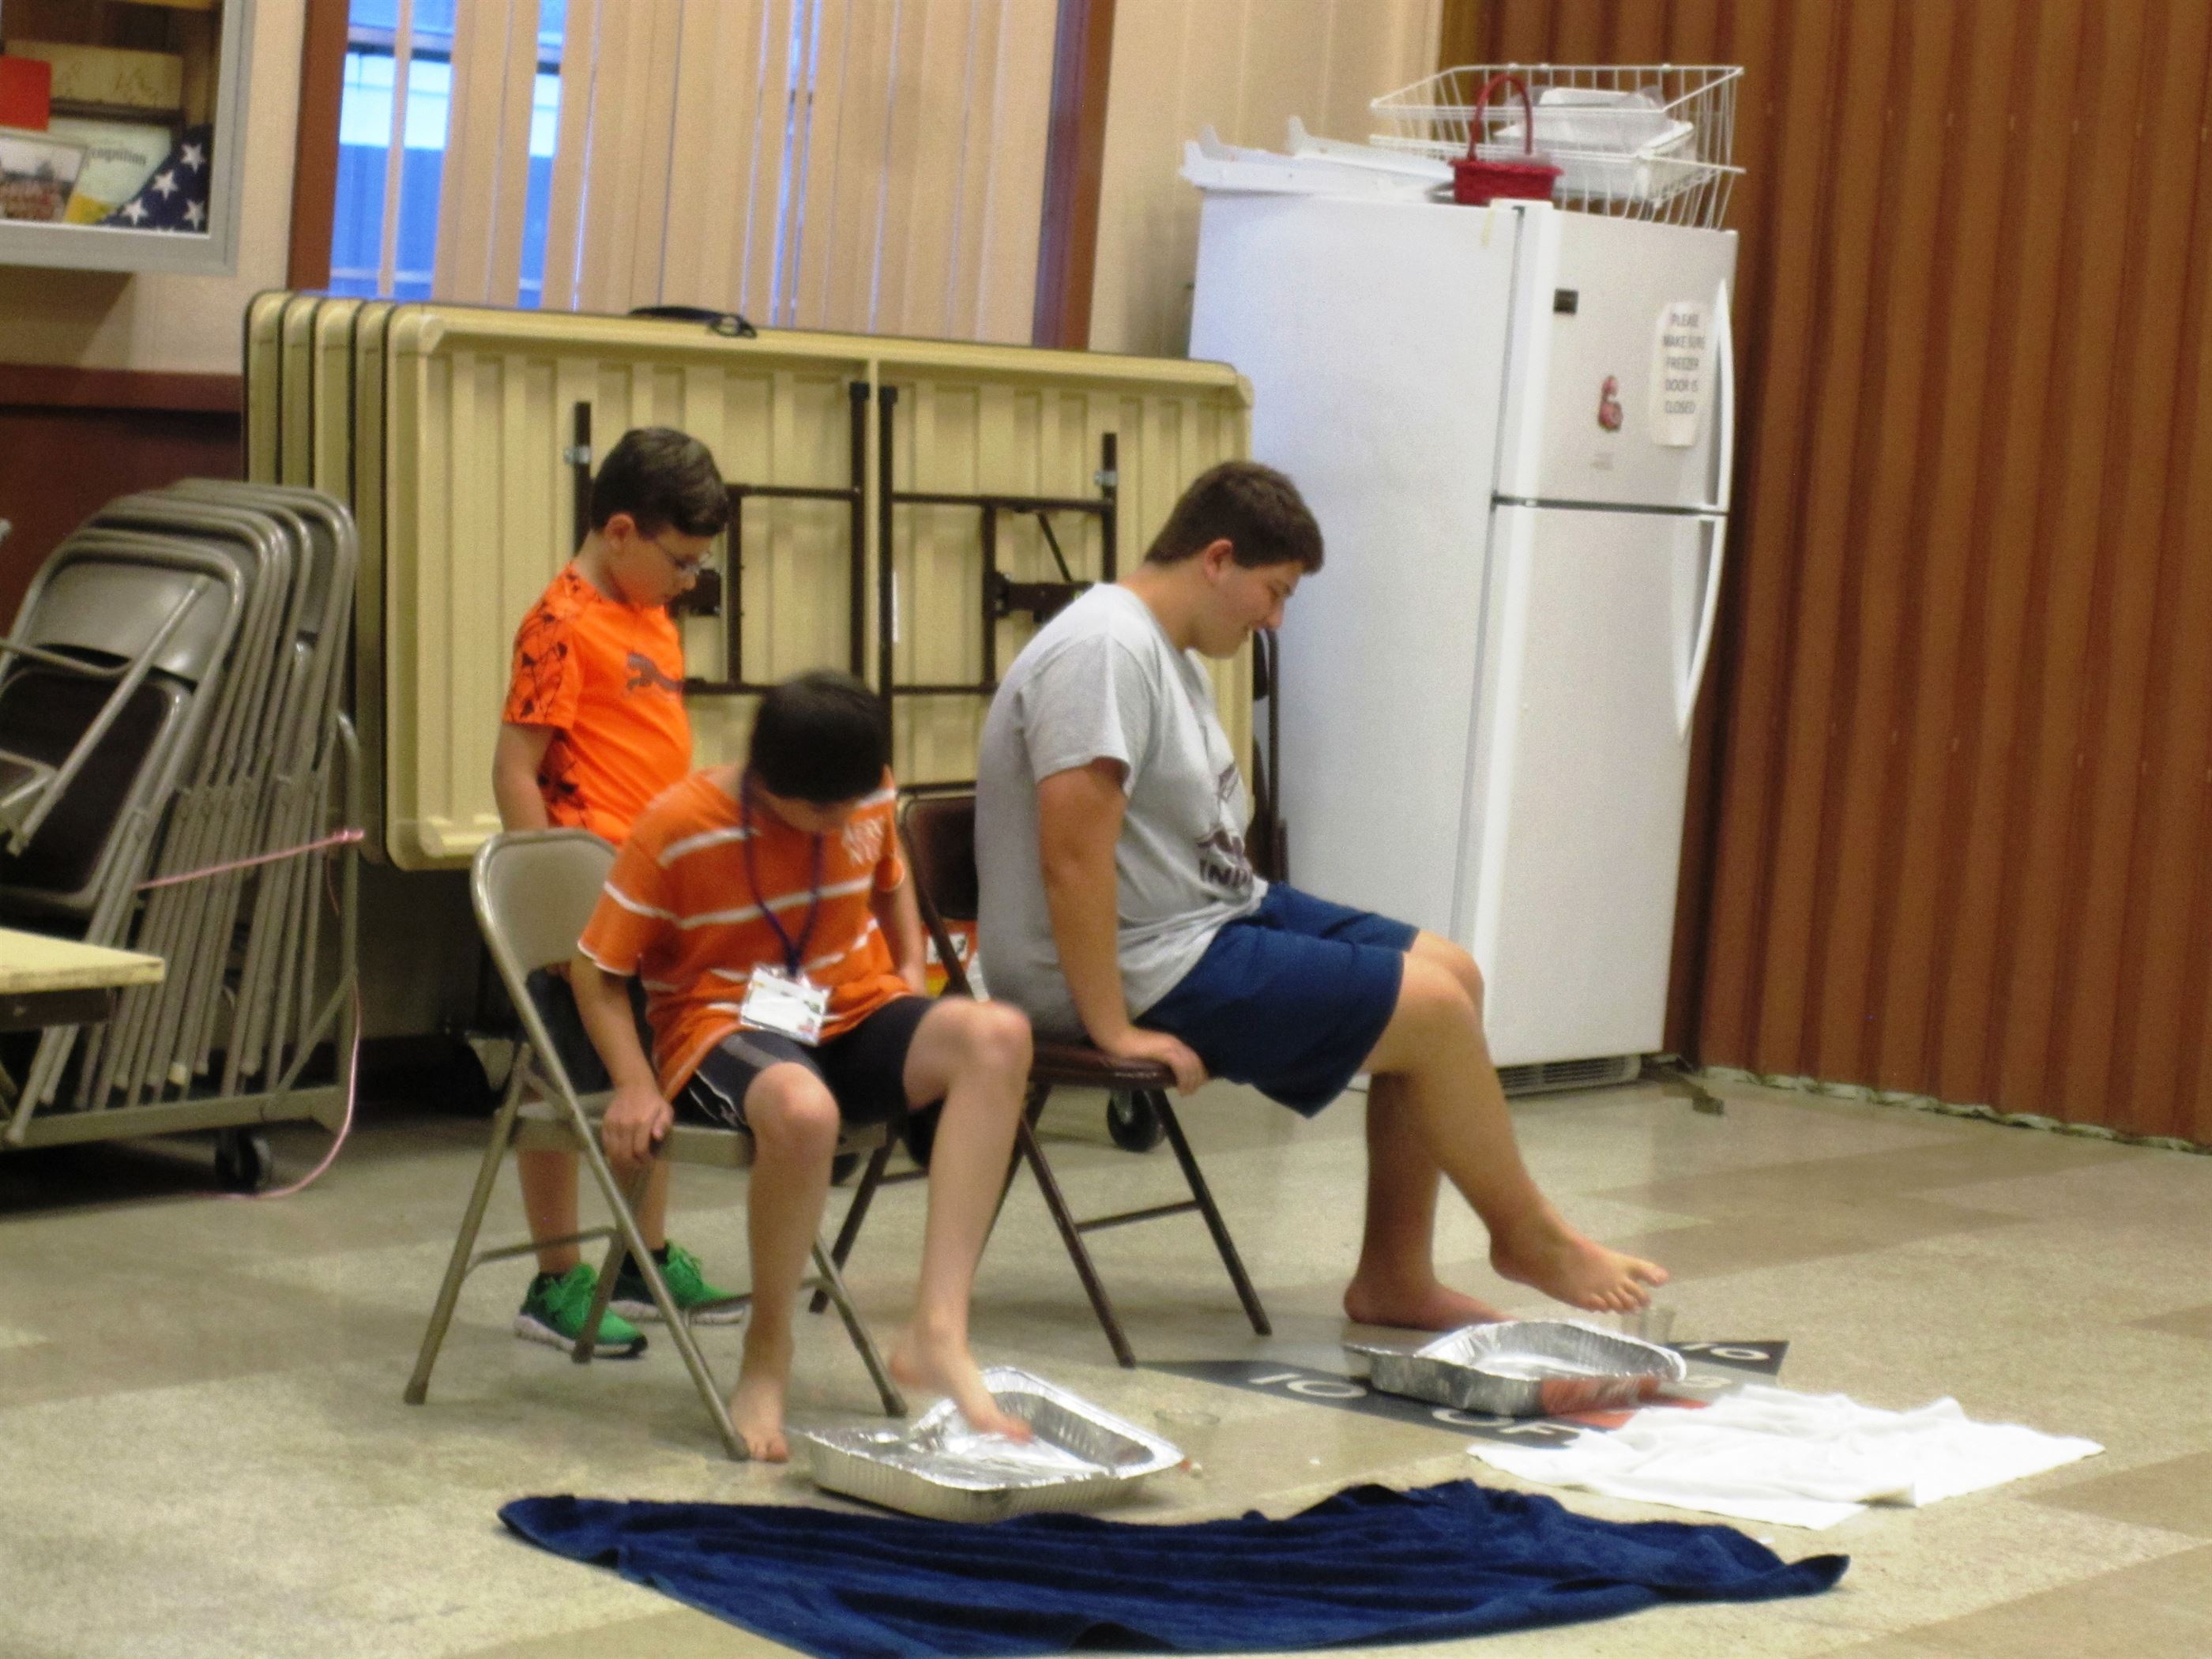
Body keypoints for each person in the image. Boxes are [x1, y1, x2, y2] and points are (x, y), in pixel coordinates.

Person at [975, 461, 1666, 1330]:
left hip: (1203, 918)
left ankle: (1393, 1277)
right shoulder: (1104, 650)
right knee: (1433, 1014)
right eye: (1274, 592)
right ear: (1217, 559)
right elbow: (1072, 861)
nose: (1274, 619)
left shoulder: (1161, 650)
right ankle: (1530, 1237)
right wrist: (1111, 1027)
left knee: (1453, 973)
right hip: (1135, 961)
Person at [571, 670, 1034, 1460]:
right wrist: (634, 1084)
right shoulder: (678, 825)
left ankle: (938, 1330)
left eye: (855, 804)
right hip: (723, 1021)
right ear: (764, 783)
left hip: (849, 1007)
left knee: (999, 1037)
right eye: (821, 812)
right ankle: (767, 1351)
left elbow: (891, 883)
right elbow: (596, 972)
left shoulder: (864, 793)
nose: (841, 823)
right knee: (803, 1111)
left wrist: (906, 973)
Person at [492, 426, 738, 1357]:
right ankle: (554, 1277)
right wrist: (550, 906)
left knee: (653, 1071)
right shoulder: (560, 624)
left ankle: (642, 1256)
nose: (687, 580)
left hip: (651, 897)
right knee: (559, 1089)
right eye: (679, 561)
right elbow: (516, 770)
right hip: (582, 902)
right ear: (622, 530)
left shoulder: (650, 610)